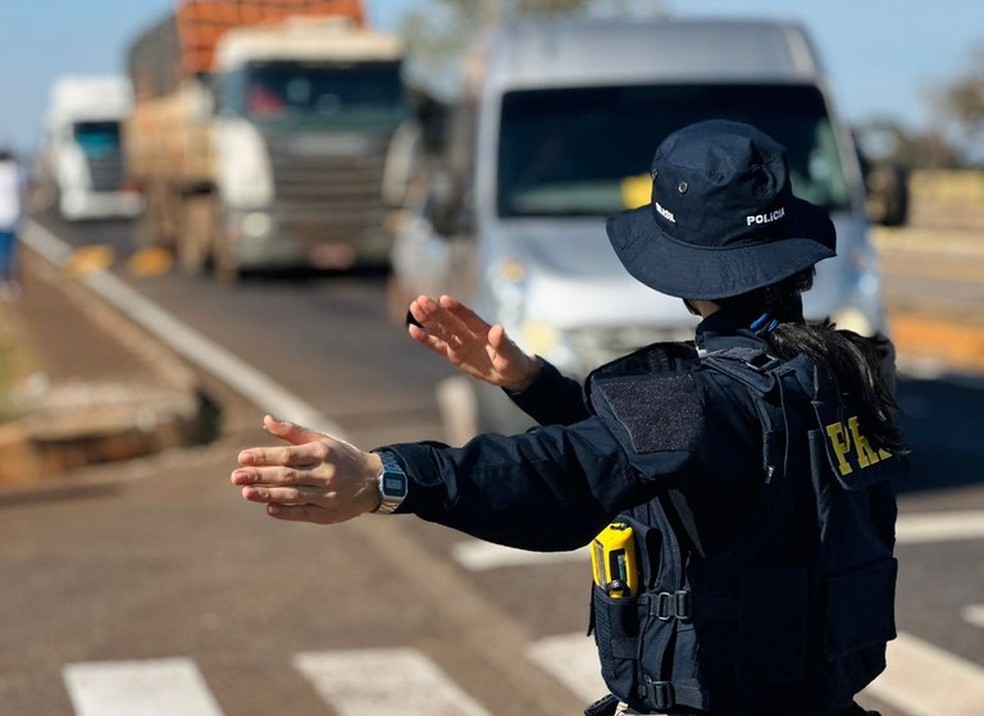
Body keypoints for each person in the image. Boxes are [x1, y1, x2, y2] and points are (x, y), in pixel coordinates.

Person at [231, 120, 907, 716]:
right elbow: (686, 452)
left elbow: (567, 475)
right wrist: (533, 384)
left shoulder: (700, 399)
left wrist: (386, 477)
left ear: (685, 266)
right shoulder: (845, 368)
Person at [0, 148, 23, 300]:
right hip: (11, 219)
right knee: (8, 252)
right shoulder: (14, 171)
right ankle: (6, 282)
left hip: (6, 218)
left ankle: (5, 282)